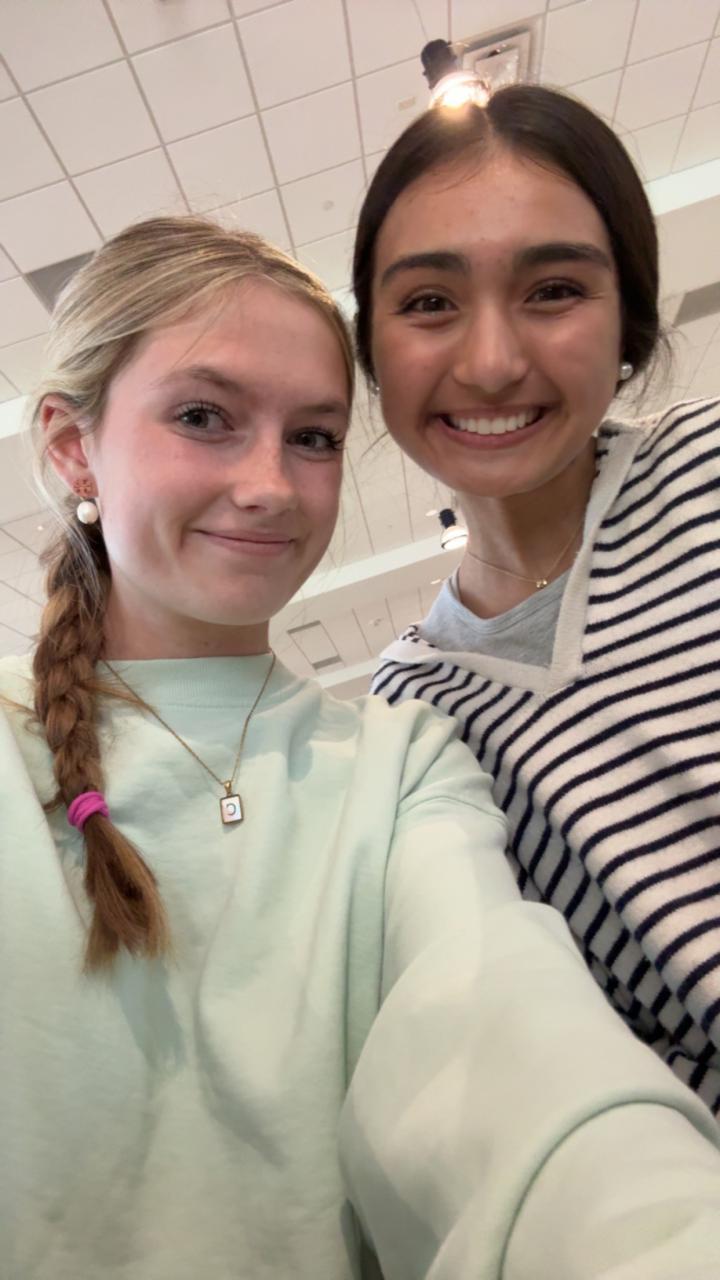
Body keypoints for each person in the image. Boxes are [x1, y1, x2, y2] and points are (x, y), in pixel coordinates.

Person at [3, 215, 720, 1280]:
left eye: (315, 436)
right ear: (72, 445)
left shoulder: (401, 755)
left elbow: (501, 1033)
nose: (270, 484)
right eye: (203, 417)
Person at [353, 84, 720, 1117]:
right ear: (370, 351)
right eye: (429, 303)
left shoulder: (706, 469)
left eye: (554, 289)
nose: (491, 362)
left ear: (630, 322)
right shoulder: (411, 720)